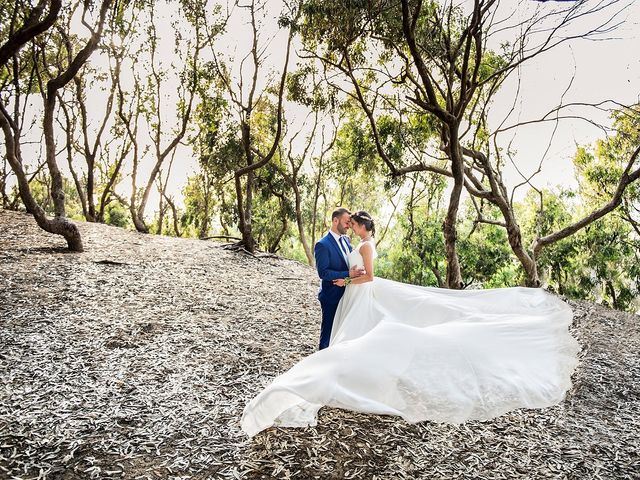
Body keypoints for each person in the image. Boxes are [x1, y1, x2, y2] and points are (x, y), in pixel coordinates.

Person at [241, 211, 579, 437]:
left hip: (359, 295)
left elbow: (368, 275)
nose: (349, 226)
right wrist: (348, 279)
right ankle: (340, 373)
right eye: (346, 222)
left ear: (360, 226)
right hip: (347, 296)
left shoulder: (363, 243)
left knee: (356, 339)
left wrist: (348, 281)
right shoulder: (347, 242)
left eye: (352, 223)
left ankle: (344, 377)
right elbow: (344, 271)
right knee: (342, 339)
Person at [313, 207, 364, 350]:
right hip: (331, 295)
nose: (349, 225)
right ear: (335, 221)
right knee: (328, 334)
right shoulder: (322, 244)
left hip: (347, 294)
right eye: (346, 222)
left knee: (341, 333)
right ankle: (321, 362)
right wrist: (348, 274)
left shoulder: (346, 241)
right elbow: (323, 273)